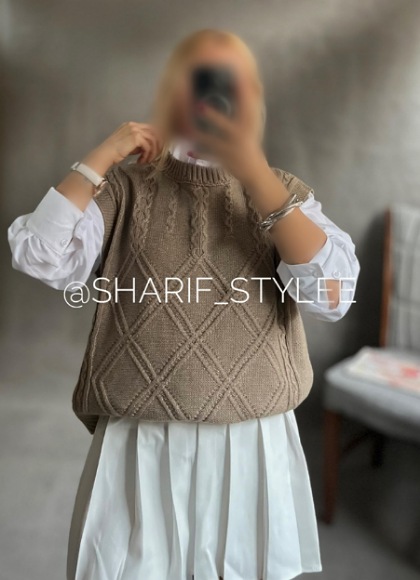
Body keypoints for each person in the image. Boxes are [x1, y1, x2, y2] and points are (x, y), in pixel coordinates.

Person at [8, 28, 359, 580]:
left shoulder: (280, 189)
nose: (211, 96)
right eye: (198, 81)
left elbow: (333, 294)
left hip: (252, 439)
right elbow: (39, 254)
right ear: (172, 93)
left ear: (250, 97)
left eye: (228, 82)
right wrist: (102, 156)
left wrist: (254, 174)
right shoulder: (125, 190)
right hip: (139, 437)